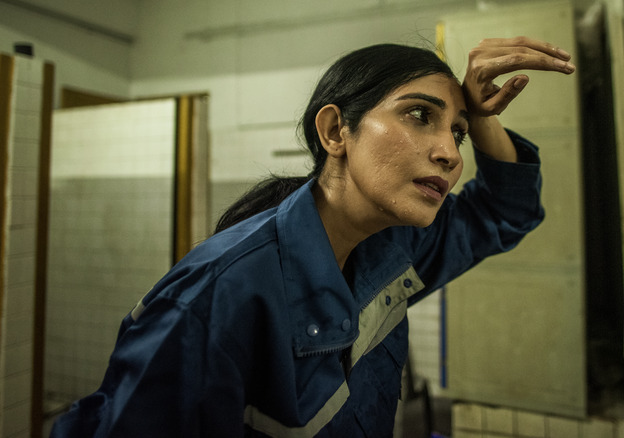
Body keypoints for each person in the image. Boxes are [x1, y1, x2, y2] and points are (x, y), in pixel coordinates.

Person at [50, 36, 575, 437]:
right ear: (334, 132)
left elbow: (507, 213)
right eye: (420, 116)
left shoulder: (393, 249)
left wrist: (482, 117)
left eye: (456, 133)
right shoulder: (218, 294)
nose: (451, 154)